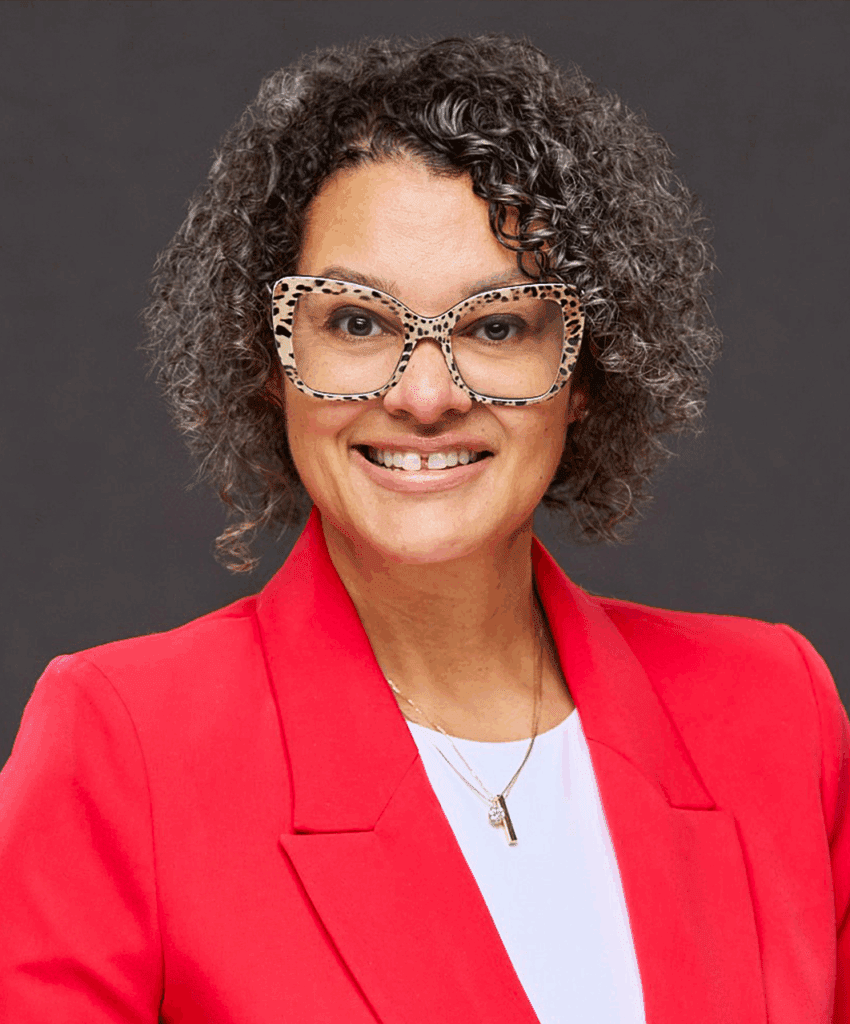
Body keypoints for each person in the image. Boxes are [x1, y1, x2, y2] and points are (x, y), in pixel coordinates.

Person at [1, 33, 847, 1024]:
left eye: (496, 325)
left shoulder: (774, 712)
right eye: (358, 322)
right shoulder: (122, 745)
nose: (426, 395)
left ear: (584, 371)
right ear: (267, 361)